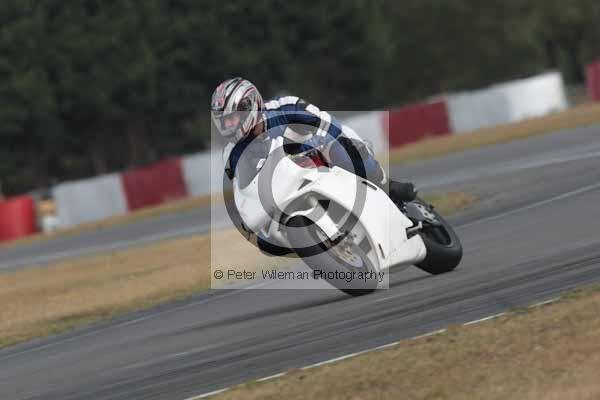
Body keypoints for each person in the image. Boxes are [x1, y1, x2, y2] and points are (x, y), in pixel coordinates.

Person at [211, 77, 417, 203]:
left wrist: (323, 146)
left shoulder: (285, 107)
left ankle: (387, 186)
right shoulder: (231, 154)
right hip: (286, 193)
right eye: (224, 121)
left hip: (322, 157)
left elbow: (329, 124)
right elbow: (244, 195)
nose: (229, 125)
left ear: (250, 106)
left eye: (232, 118)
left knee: (342, 147)